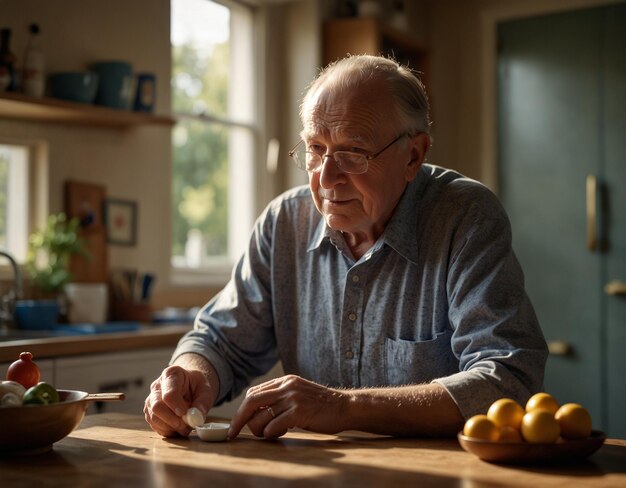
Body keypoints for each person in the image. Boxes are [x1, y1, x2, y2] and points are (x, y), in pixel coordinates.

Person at [144, 54, 548, 440]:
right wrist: (189, 373)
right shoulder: (284, 222)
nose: (326, 177)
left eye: (354, 152)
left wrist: (345, 407)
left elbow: (508, 377)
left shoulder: (465, 217)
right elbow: (219, 341)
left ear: (414, 155)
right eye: (316, 149)